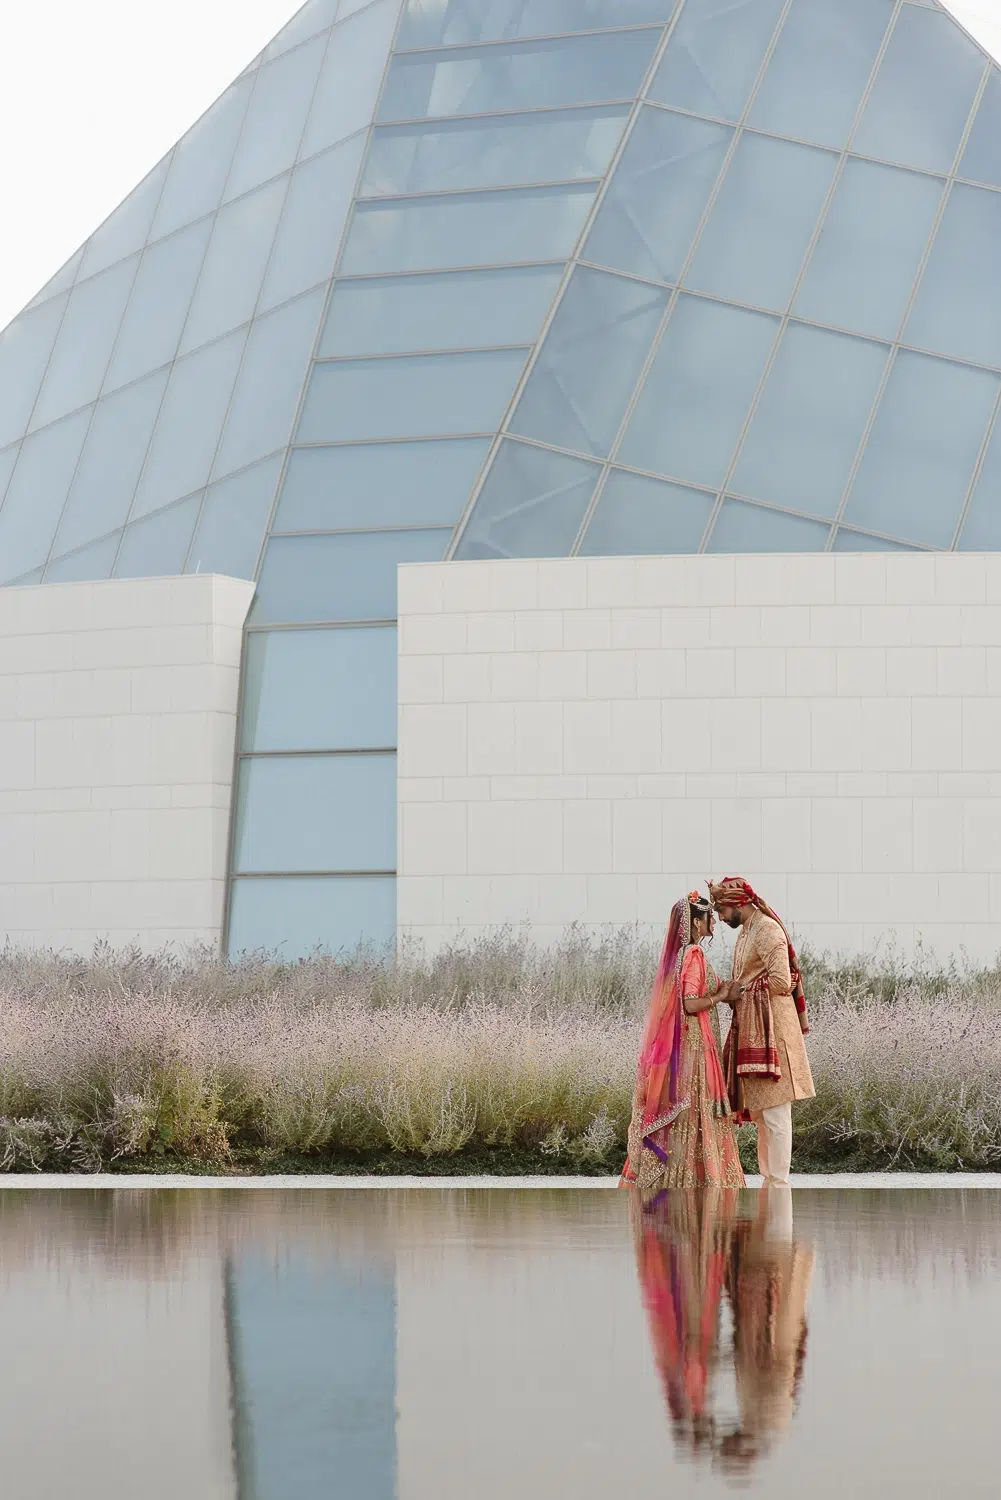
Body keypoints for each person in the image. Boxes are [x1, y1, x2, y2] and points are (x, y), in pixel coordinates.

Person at [621, 891, 744, 1199]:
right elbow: (690, 1003)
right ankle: (696, 1186)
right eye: (708, 916)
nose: (713, 920)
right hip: (697, 1050)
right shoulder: (694, 954)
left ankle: (676, 1184)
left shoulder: (681, 957)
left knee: (688, 1115)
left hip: (689, 1047)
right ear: (696, 923)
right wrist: (720, 996)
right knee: (696, 1112)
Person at [708, 876, 815, 1186]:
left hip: (773, 1033)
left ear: (738, 904)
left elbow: (781, 982)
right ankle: (769, 1183)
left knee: (776, 1114)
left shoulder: (767, 930)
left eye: (722, 910)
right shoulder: (747, 931)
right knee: (762, 1116)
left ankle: (779, 1184)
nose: (721, 918)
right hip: (755, 1029)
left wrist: (739, 990)